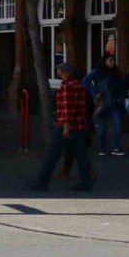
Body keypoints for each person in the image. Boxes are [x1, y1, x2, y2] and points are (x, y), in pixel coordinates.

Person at [29, 63, 93, 192]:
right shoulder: (79, 86)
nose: (57, 72)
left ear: (65, 72)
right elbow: (83, 106)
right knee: (81, 155)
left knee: (52, 155)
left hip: (67, 126)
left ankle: (43, 182)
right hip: (79, 125)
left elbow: (66, 109)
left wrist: (65, 127)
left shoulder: (66, 87)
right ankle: (86, 181)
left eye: (59, 70)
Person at [84, 53, 127, 156]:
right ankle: (101, 149)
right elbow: (85, 82)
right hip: (104, 103)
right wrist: (95, 93)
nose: (112, 62)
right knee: (102, 128)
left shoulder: (116, 72)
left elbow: (121, 86)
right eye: (110, 60)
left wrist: (123, 99)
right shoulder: (97, 72)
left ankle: (116, 148)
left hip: (116, 102)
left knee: (118, 126)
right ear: (104, 61)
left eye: (113, 60)